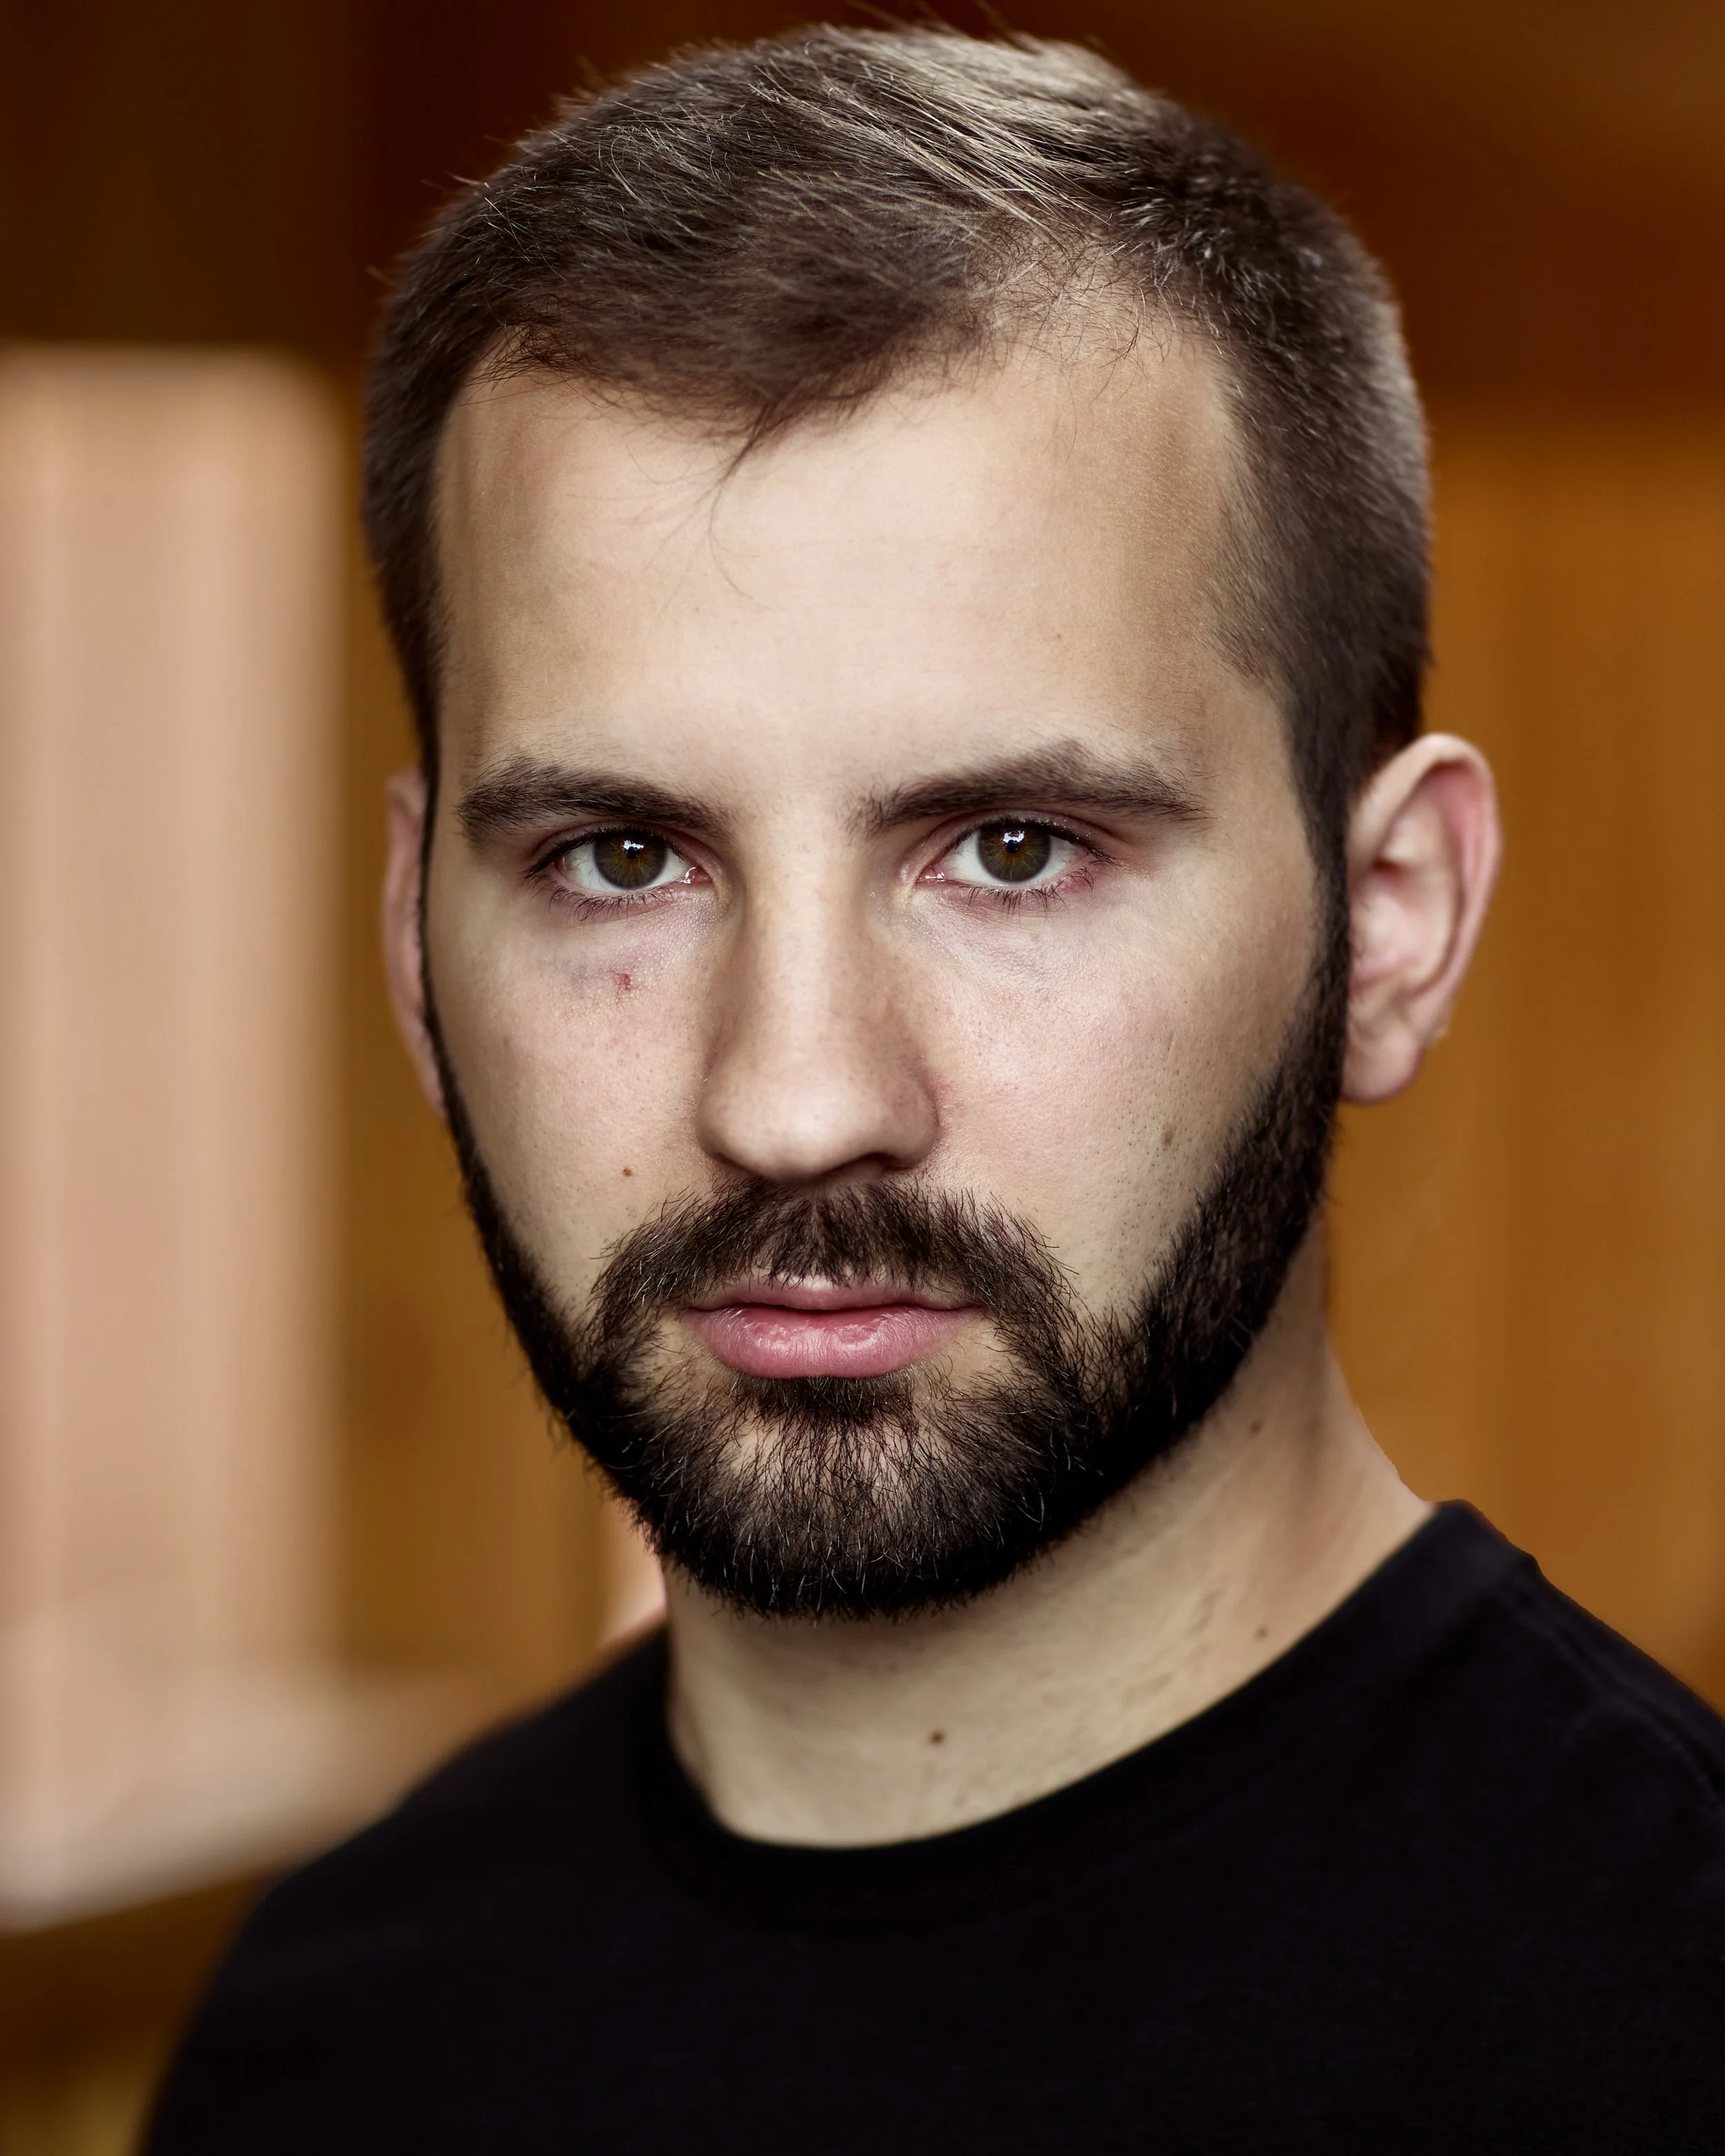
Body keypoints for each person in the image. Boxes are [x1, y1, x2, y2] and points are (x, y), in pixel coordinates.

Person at [146, 26, 1725, 2153]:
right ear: (420, 944)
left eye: (1011, 849)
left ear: (1390, 924)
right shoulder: (326, 2043)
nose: (795, 1098)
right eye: (618, 857)